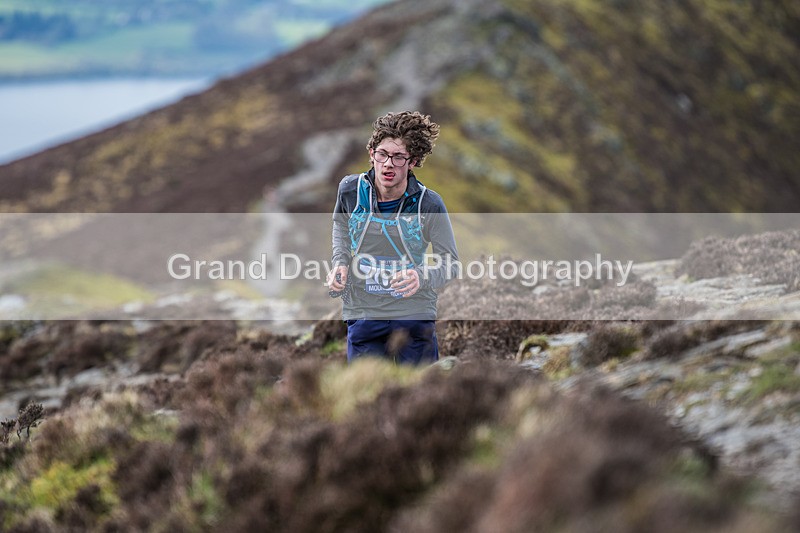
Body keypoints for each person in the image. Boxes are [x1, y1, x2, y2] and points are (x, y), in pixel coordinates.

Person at [327, 111, 459, 364]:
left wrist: (421, 277)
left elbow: (451, 263)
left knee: (419, 395)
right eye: (382, 154)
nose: (388, 164)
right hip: (363, 311)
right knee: (367, 395)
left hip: (413, 314)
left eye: (399, 157)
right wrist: (340, 263)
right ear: (371, 154)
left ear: (413, 161)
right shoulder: (350, 191)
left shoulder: (428, 204)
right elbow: (341, 228)